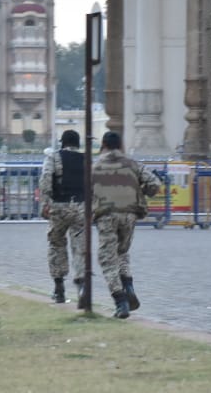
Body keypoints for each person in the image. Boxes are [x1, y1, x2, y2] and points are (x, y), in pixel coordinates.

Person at [91, 130, 161, 318]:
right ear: (120, 145)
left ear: (103, 145)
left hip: (106, 216)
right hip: (129, 215)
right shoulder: (133, 164)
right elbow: (155, 184)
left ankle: (120, 300)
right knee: (122, 253)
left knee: (107, 258)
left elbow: (87, 193)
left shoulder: (95, 166)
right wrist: (141, 192)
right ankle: (128, 284)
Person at [38, 130, 87, 303]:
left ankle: (59, 288)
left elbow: (45, 179)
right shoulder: (86, 159)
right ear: (78, 143)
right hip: (81, 207)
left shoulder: (54, 157)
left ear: (62, 143)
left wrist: (45, 203)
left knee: (56, 244)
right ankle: (81, 286)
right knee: (80, 247)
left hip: (59, 206)